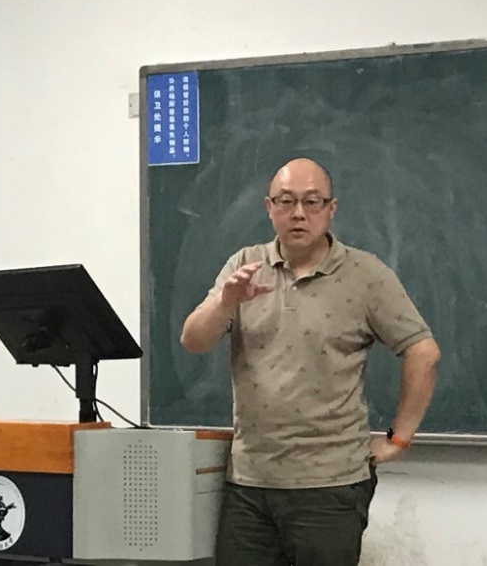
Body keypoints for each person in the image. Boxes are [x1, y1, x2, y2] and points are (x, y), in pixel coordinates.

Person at [180, 157, 440, 566]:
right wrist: (226, 302)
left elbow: (423, 352)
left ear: (331, 209)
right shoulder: (245, 265)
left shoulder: (366, 274)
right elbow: (193, 341)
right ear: (269, 208)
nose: (298, 213)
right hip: (249, 484)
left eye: (312, 201)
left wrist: (398, 439)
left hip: (330, 487)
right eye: (286, 201)